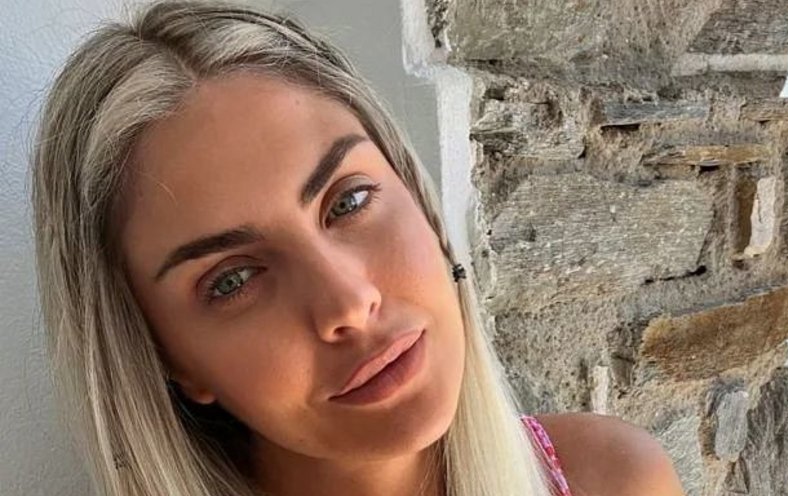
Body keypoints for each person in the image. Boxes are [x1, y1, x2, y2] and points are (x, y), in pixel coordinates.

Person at [29, 1, 685, 495]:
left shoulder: (612, 480)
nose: (346, 301)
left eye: (347, 202)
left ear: (417, 197)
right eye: (232, 279)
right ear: (164, 356)